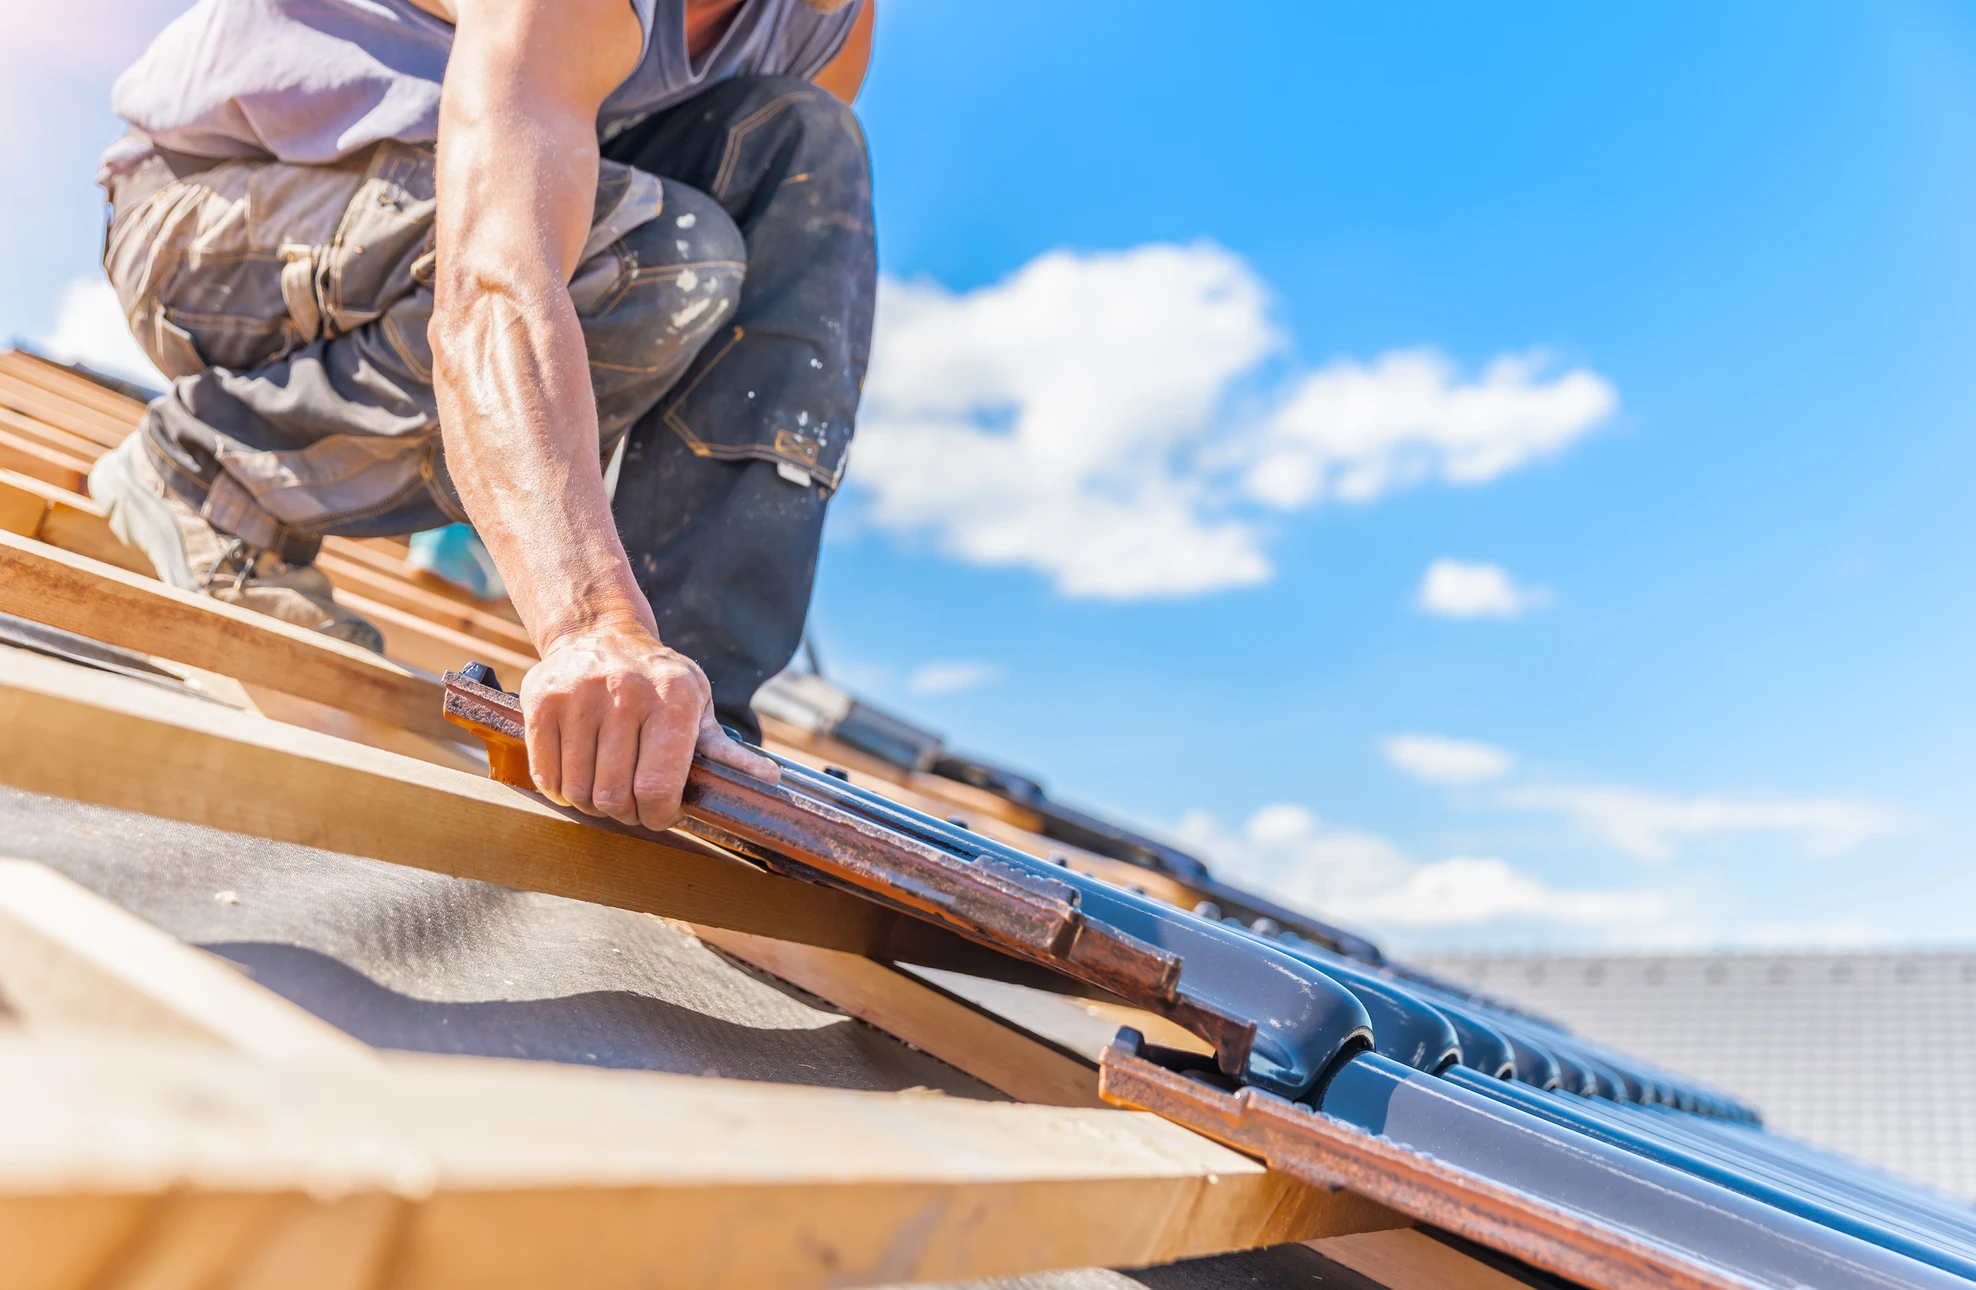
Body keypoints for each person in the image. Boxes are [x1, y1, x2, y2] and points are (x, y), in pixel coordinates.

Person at [89, 0, 877, 831]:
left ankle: (673, 719)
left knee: (806, 149)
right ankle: (214, 469)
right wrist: (587, 620)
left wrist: (647, 674)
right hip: (210, 217)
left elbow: (760, 300)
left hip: (441, 213)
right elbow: (498, 285)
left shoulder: (825, 24)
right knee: (669, 259)